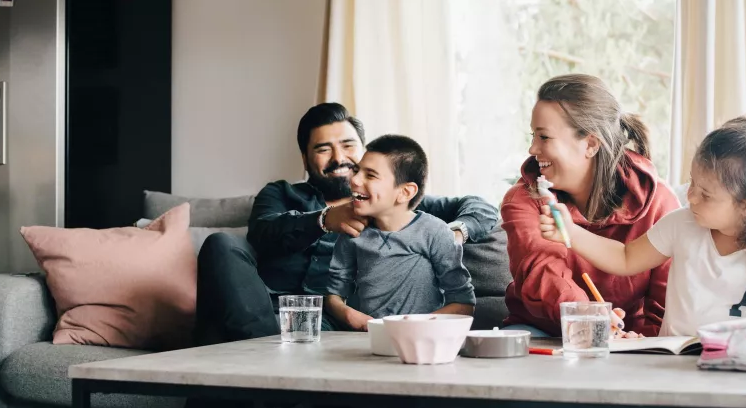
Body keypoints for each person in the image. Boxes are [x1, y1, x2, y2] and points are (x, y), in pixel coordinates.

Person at [193, 103, 498, 344]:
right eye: (323, 148)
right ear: (305, 157)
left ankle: (262, 364)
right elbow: (263, 233)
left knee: (217, 333)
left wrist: (456, 231)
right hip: (265, 309)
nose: (339, 157)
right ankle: (265, 353)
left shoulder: (391, 200)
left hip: (333, 319)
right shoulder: (281, 193)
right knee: (221, 245)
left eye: (349, 145)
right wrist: (323, 221)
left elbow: (482, 208)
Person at [539, 116, 746, 336]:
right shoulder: (683, 224)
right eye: (693, 182)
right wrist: (572, 233)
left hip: (739, 373)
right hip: (673, 365)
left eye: (706, 194)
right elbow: (625, 257)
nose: (690, 196)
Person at [500, 74, 681, 338]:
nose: (532, 148)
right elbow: (541, 272)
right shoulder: (523, 199)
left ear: (591, 144)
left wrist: (642, 339)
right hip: (544, 333)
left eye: (544, 137)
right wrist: (589, 317)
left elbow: (667, 302)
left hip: (628, 338)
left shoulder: (659, 202)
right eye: (533, 136)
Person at [325, 135, 475, 329]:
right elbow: (334, 295)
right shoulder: (352, 232)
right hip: (368, 338)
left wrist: (415, 326)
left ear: (405, 192)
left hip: (421, 339)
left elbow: (464, 304)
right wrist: (348, 315)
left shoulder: (435, 232)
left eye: (370, 175)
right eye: (356, 171)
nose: (354, 180)